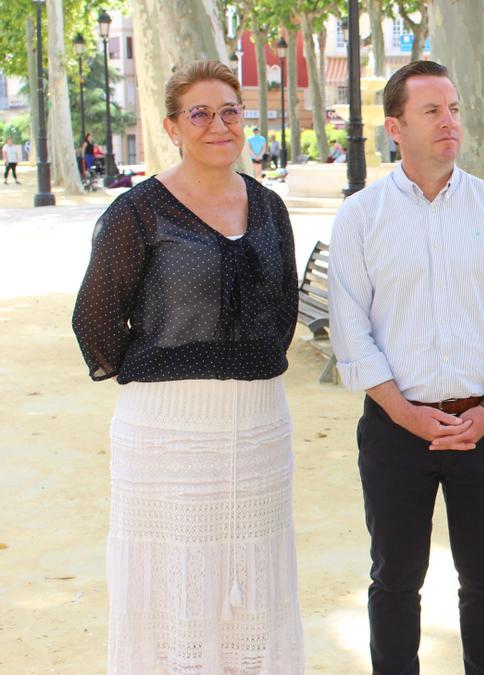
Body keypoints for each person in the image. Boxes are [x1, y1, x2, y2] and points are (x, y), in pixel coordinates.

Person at [71, 60, 304, 673]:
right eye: (199, 113)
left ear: (244, 121)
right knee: (175, 589)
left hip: (260, 431)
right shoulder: (138, 212)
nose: (217, 125)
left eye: (229, 111)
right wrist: (167, 370)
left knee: (254, 591)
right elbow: (94, 320)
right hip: (166, 437)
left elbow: (282, 310)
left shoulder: (270, 207)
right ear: (172, 126)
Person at [327, 60, 484, 675]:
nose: (449, 122)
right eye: (431, 111)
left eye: (453, 109)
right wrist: (405, 413)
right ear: (395, 127)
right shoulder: (361, 218)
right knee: (394, 581)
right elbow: (352, 331)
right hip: (396, 432)